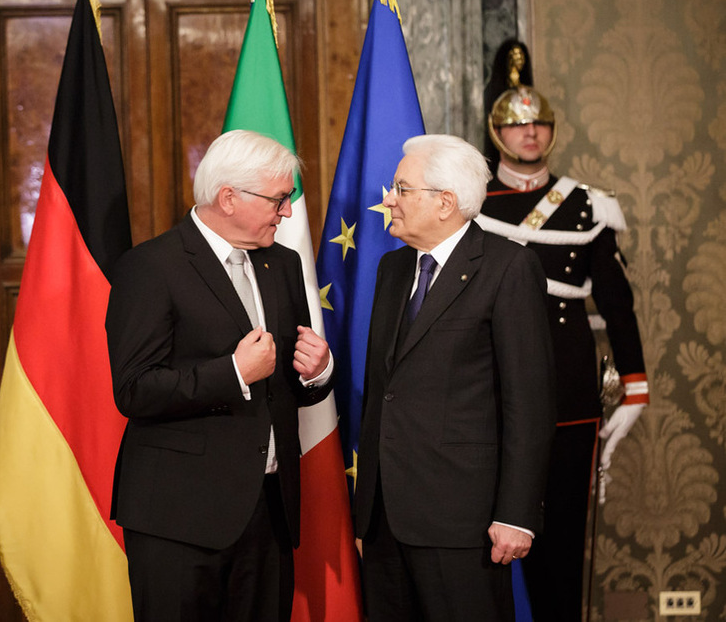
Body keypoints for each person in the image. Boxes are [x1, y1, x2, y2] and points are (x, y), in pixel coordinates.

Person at [105, 129, 333, 621]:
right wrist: (232, 373)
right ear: (228, 197)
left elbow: (288, 382)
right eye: (279, 199)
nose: (288, 212)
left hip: (269, 511)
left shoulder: (284, 264)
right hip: (179, 518)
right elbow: (135, 389)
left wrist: (318, 373)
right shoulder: (150, 267)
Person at [478, 40, 649, 621]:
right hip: (490, 389)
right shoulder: (472, 200)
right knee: (487, 546)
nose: (531, 134)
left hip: (571, 387)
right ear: (497, 131)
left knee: (562, 545)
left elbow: (616, 303)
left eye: (540, 125)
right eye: (518, 125)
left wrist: (636, 383)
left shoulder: (586, 204)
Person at [353, 134, 556, 621]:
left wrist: (516, 514)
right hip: (385, 521)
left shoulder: (507, 267)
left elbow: (529, 404)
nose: (388, 200)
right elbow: (387, 390)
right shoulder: (392, 268)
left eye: (401, 188)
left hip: (464, 522)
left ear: (445, 202)